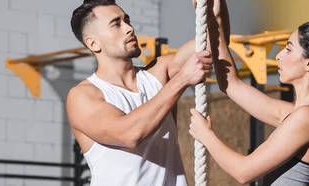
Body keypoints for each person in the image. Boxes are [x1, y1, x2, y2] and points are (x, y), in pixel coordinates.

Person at [188, 18, 309, 185]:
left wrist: (206, 135)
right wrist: (214, 20)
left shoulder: (308, 118)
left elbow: (243, 172)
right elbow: (232, 85)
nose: (278, 56)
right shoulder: (297, 114)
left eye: (288, 49)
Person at [65, 0, 229, 185]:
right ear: (93, 43)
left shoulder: (158, 72)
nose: (129, 28)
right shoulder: (83, 96)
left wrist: (214, 13)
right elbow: (130, 134)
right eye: (116, 24)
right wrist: (182, 79)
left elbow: (212, 46)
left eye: (127, 20)